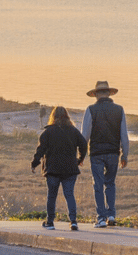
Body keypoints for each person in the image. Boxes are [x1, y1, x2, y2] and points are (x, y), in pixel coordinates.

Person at [81, 80, 129, 228]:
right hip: (113, 153)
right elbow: (124, 136)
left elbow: (85, 135)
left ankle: (101, 218)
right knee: (110, 183)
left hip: (96, 153)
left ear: (96, 95)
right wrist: (124, 155)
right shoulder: (119, 110)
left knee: (98, 185)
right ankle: (112, 215)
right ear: (108, 93)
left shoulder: (90, 110)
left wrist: (81, 155)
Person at [31, 106, 87, 230]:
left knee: (52, 195)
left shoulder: (48, 132)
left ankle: (50, 222)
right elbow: (84, 144)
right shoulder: (73, 131)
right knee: (69, 195)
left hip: (52, 169)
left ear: (53, 117)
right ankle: (73, 221)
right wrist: (80, 159)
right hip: (70, 169)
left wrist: (35, 163)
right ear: (67, 116)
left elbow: (40, 150)